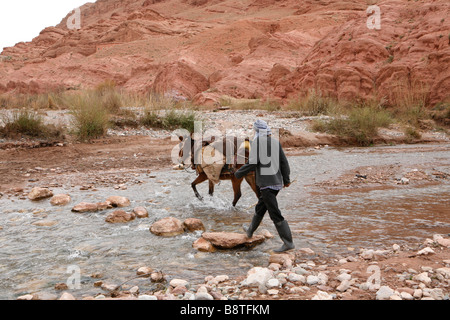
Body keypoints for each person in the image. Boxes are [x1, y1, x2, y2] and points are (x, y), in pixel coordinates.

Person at [234, 119, 295, 253]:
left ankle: (288, 243)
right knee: (261, 207)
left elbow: (252, 163)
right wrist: (286, 179)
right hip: (276, 183)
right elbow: (284, 162)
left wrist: (238, 173)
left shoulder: (257, 143)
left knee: (275, 214)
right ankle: (249, 231)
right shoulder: (275, 142)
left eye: (254, 130)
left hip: (267, 184)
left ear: (257, 131)